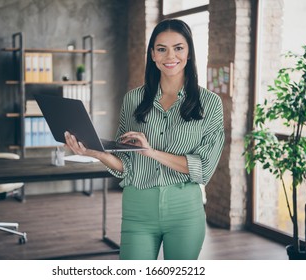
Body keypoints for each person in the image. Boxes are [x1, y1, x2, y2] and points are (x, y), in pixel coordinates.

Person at [64, 18, 224, 260]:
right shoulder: (133, 100)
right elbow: (126, 165)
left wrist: (150, 151)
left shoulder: (210, 103)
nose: (170, 56)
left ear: (189, 52)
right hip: (138, 209)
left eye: (178, 47)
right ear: (152, 54)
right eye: (162, 49)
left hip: (185, 211)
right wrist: (94, 153)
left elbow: (203, 168)